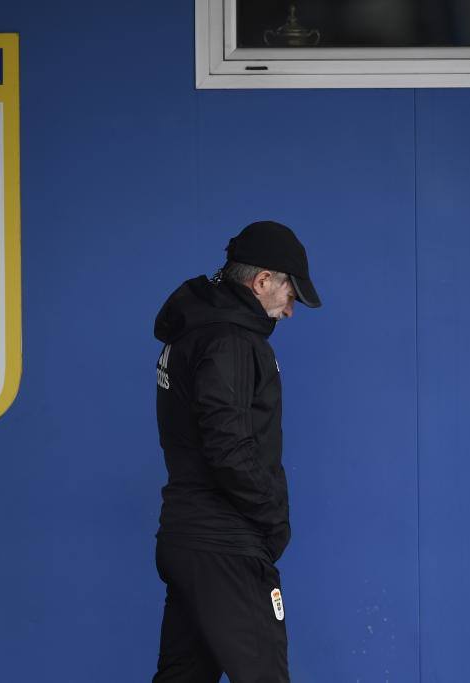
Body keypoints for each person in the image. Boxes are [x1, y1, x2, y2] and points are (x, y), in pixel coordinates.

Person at [152, 221, 322, 683]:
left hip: (187, 538)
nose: (290, 311)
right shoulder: (229, 340)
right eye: (291, 295)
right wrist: (272, 518)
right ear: (263, 280)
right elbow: (228, 446)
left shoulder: (195, 328)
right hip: (226, 543)